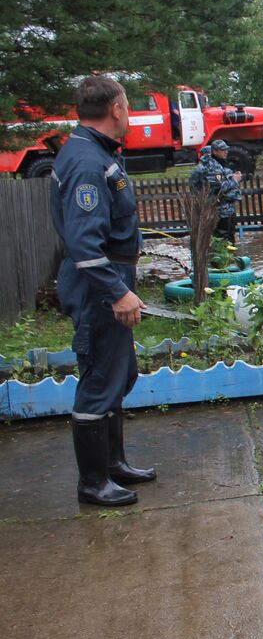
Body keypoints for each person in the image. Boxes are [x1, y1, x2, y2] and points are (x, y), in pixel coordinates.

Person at [48, 76, 156, 507]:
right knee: (99, 379)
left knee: (118, 373)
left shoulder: (97, 152)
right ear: (116, 108)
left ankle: (114, 464)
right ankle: (93, 482)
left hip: (110, 279)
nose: (129, 112)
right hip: (98, 285)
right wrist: (116, 292)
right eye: (128, 105)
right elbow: (83, 243)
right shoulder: (87, 162)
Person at [189, 139, 242, 243]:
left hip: (222, 208)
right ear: (215, 151)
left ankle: (228, 257)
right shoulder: (213, 167)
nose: (226, 152)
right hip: (220, 209)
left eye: (226, 149)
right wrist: (235, 180)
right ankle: (224, 257)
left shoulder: (217, 166)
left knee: (227, 237)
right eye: (223, 150)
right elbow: (219, 188)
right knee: (223, 237)